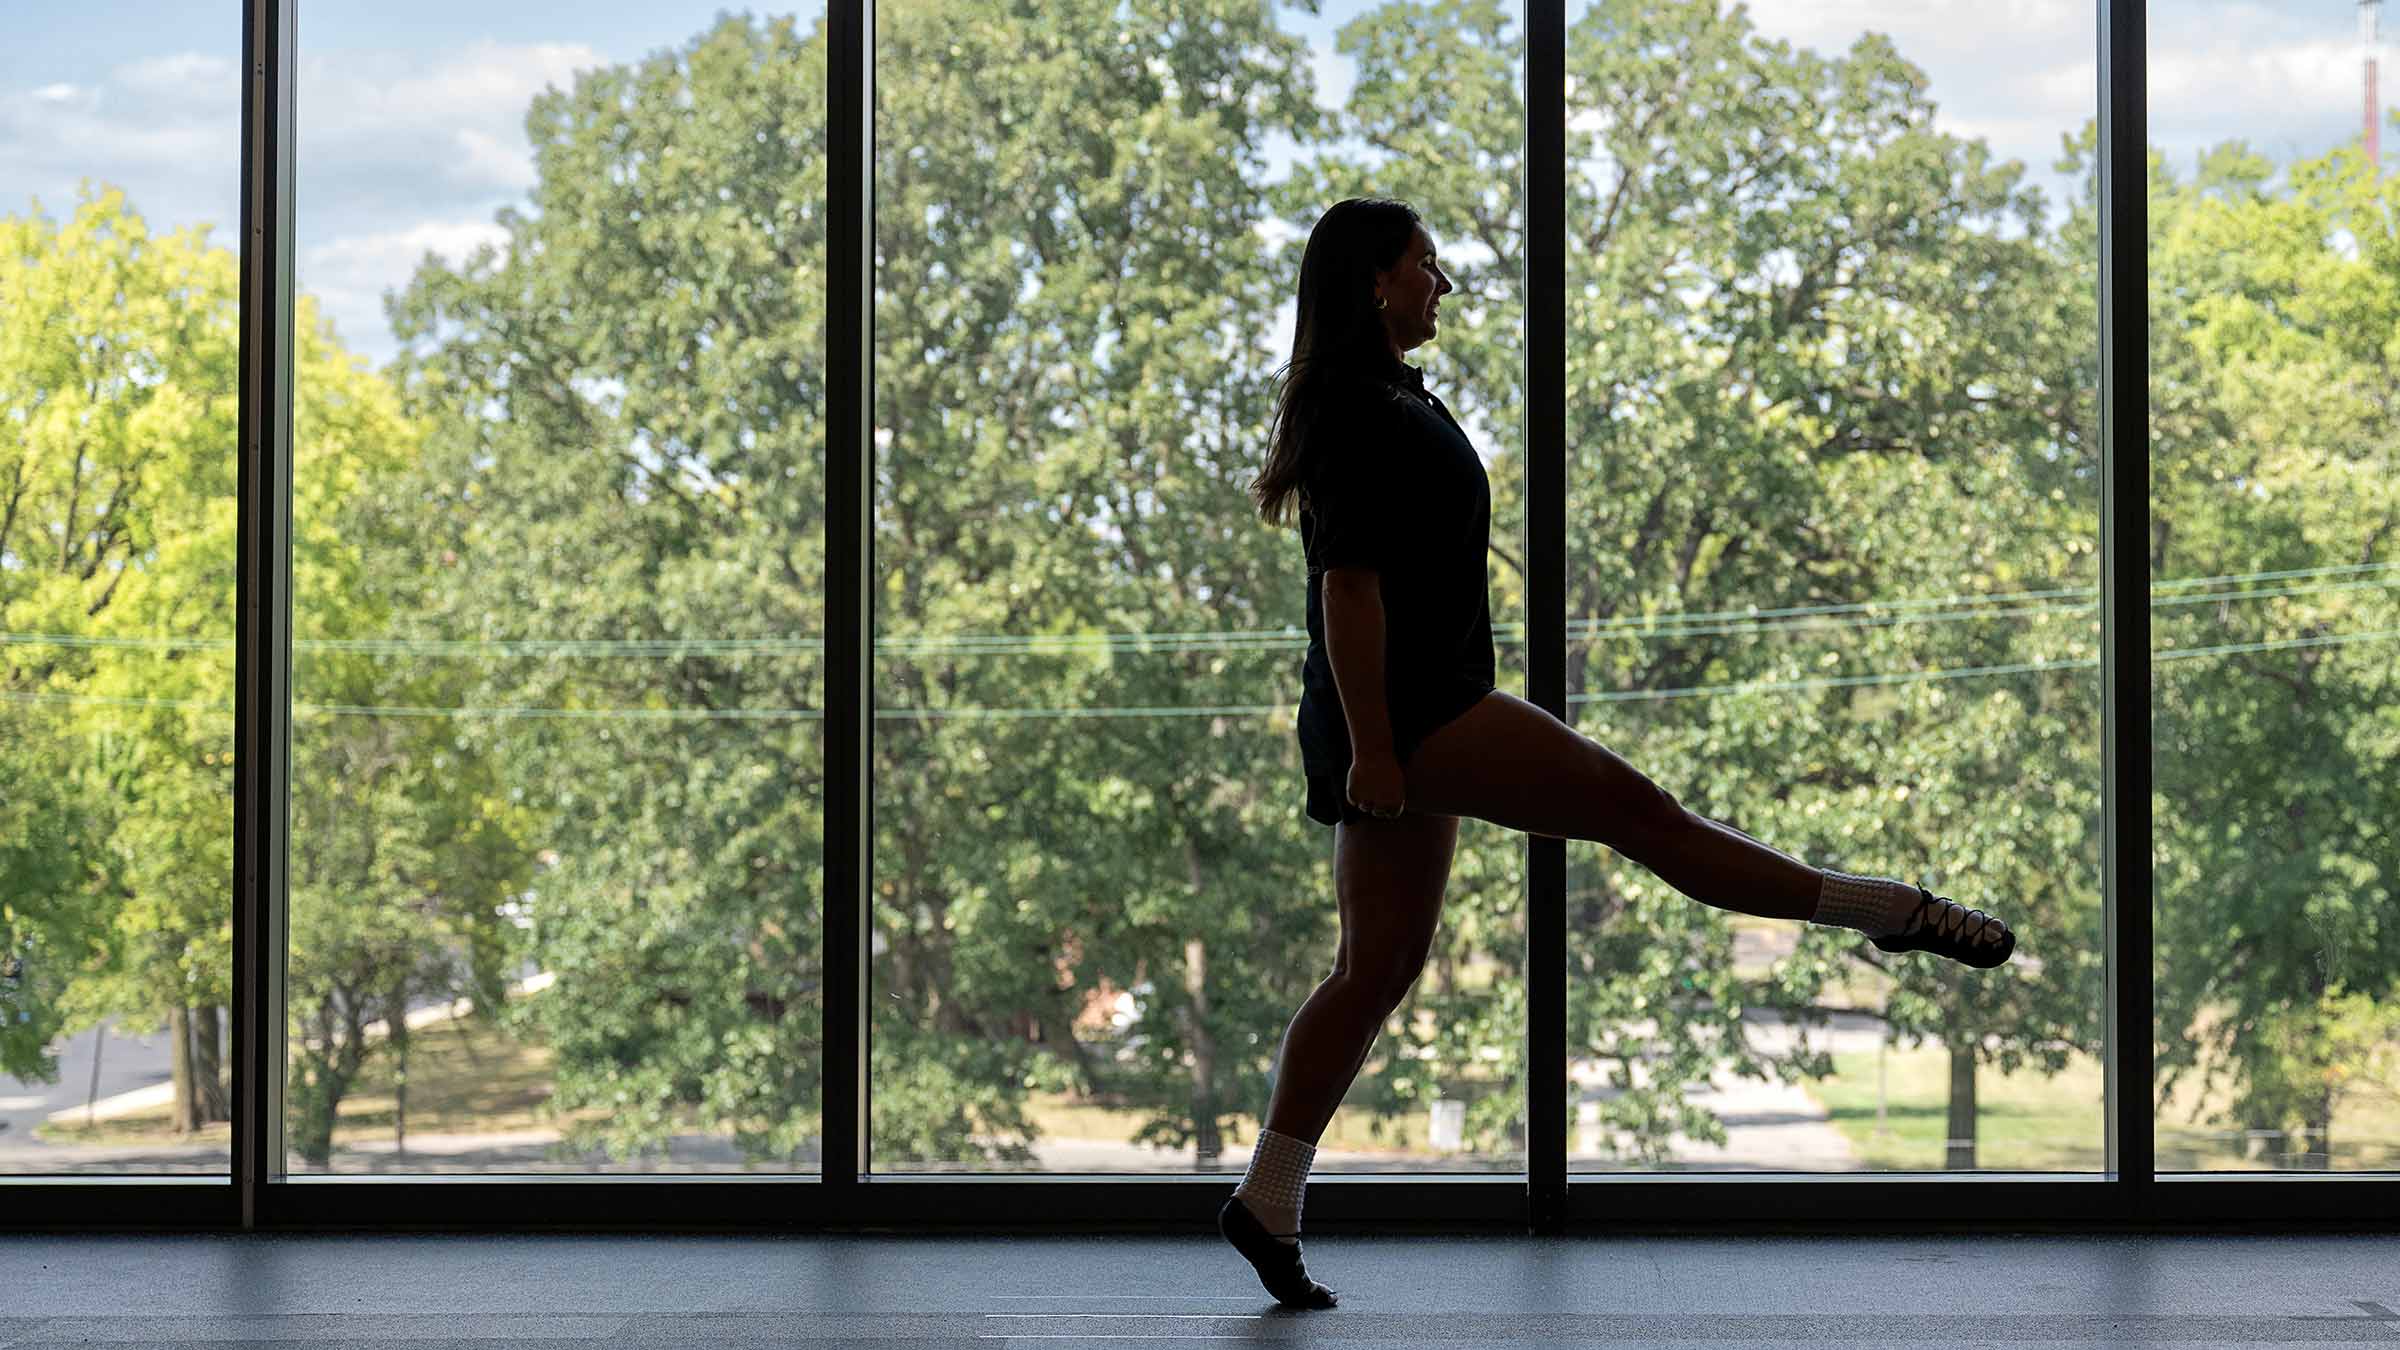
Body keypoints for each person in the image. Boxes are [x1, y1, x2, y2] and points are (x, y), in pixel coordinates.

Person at [1216, 197, 2018, 1309]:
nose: (1443, 284)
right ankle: (1889, 910)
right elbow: (1346, 591)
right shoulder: (1356, 407)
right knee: (1650, 818)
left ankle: (1266, 1201)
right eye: (1426, 266)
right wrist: (1377, 751)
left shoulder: (1388, 395)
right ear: (1374, 285)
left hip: (1410, 717)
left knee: (1375, 971)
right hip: (1419, 714)